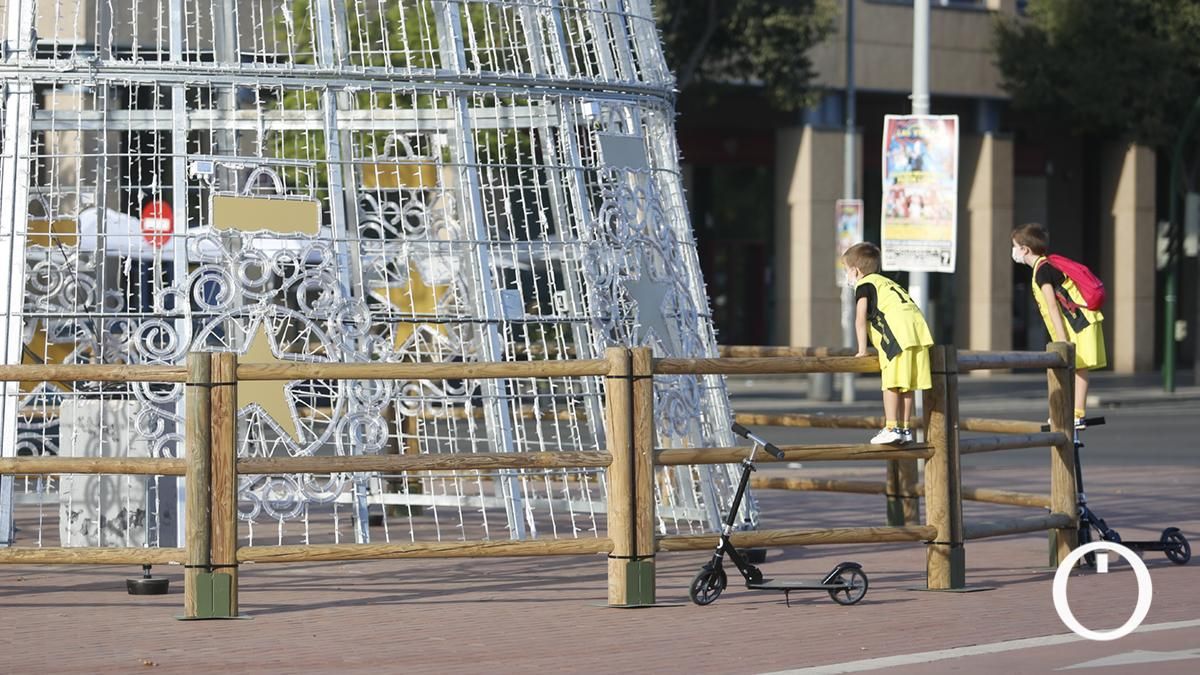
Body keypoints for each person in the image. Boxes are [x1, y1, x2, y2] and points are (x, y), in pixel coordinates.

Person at [1011, 223, 1106, 428]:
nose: (1014, 252)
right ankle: (1069, 412)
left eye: (1015, 246)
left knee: (1077, 366)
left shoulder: (1042, 271)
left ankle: (1075, 413)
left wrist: (1062, 341)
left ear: (1025, 249)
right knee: (1075, 368)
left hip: (1078, 323)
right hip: (1081, 320)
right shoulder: (1045, 266)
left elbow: (1052, 306)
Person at [843, 242, 934, 445]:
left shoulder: (864, 285)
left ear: (855, 271)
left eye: (846, 271)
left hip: (897, 336)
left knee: (891, 384)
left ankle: (891, 427)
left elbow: (860, 319)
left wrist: (862, 350)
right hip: (917, 333)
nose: (846, 276)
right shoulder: (886, 282)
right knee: (907, 384)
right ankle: (905, 428)